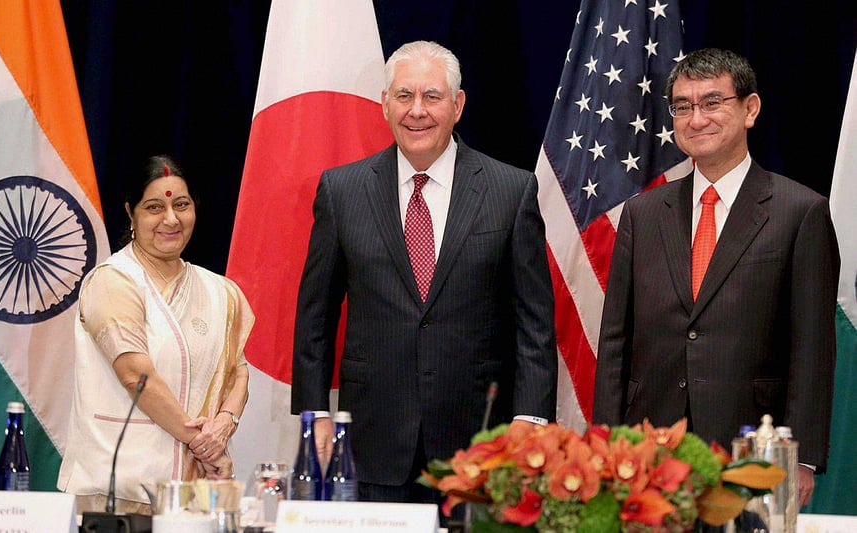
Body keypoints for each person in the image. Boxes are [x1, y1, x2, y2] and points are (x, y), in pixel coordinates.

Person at [290, 40, 558, 503]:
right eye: (404, 96)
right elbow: (316, 317)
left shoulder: (511, 190)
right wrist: (315, 413)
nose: (417, 111)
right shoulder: (342, 190)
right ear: (384, 104)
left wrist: (531, 419)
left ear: (457, 106)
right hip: (372, 444)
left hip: (482, 445)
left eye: (432, 97)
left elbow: (533, 321)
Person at [592, 48, 840, 508]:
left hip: (753, 449)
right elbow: (615, 342)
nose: (695, 118)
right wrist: (606, 441)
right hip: (649, 448)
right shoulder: (643, 214)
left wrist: (800, 458)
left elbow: (812, 347)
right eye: (682, 106)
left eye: (711, 102)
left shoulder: (798, 212)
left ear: (750, 109)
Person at [58, 155, 255, 514]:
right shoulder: (113, 281)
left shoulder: (220, 292)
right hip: (120, 492)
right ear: (131, 213)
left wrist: (225, 424)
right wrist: (202, 442)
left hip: (197, 492)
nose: (171, 219)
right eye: (154, 207)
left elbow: (238, 371)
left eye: (181, 205)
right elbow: (136, 375)